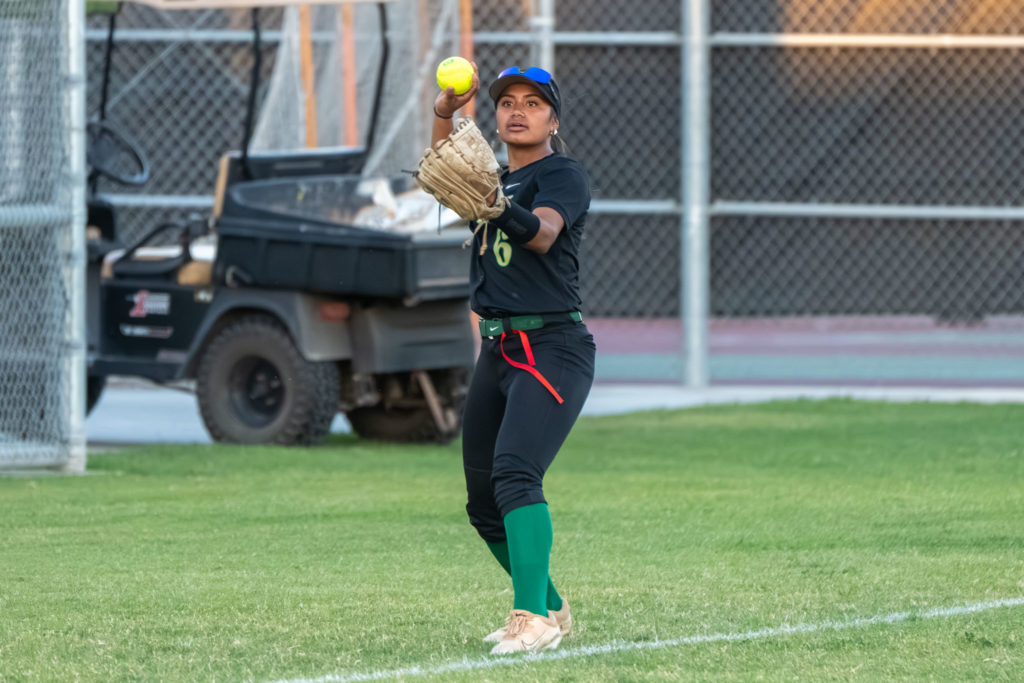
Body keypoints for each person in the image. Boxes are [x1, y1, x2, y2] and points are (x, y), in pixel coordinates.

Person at [431, 64, 596, 654]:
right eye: (506, 103)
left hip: (552, 346)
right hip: (498, 349)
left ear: (554, 118)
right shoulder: (493, 177)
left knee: (516, 473)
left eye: (533, 102)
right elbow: (449, 178)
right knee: (482, 502)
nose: (517, 111)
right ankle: (549, 603)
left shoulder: (563, 175)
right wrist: (445, 114)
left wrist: (497, 207)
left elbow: (544, 233)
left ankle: (530, 617)